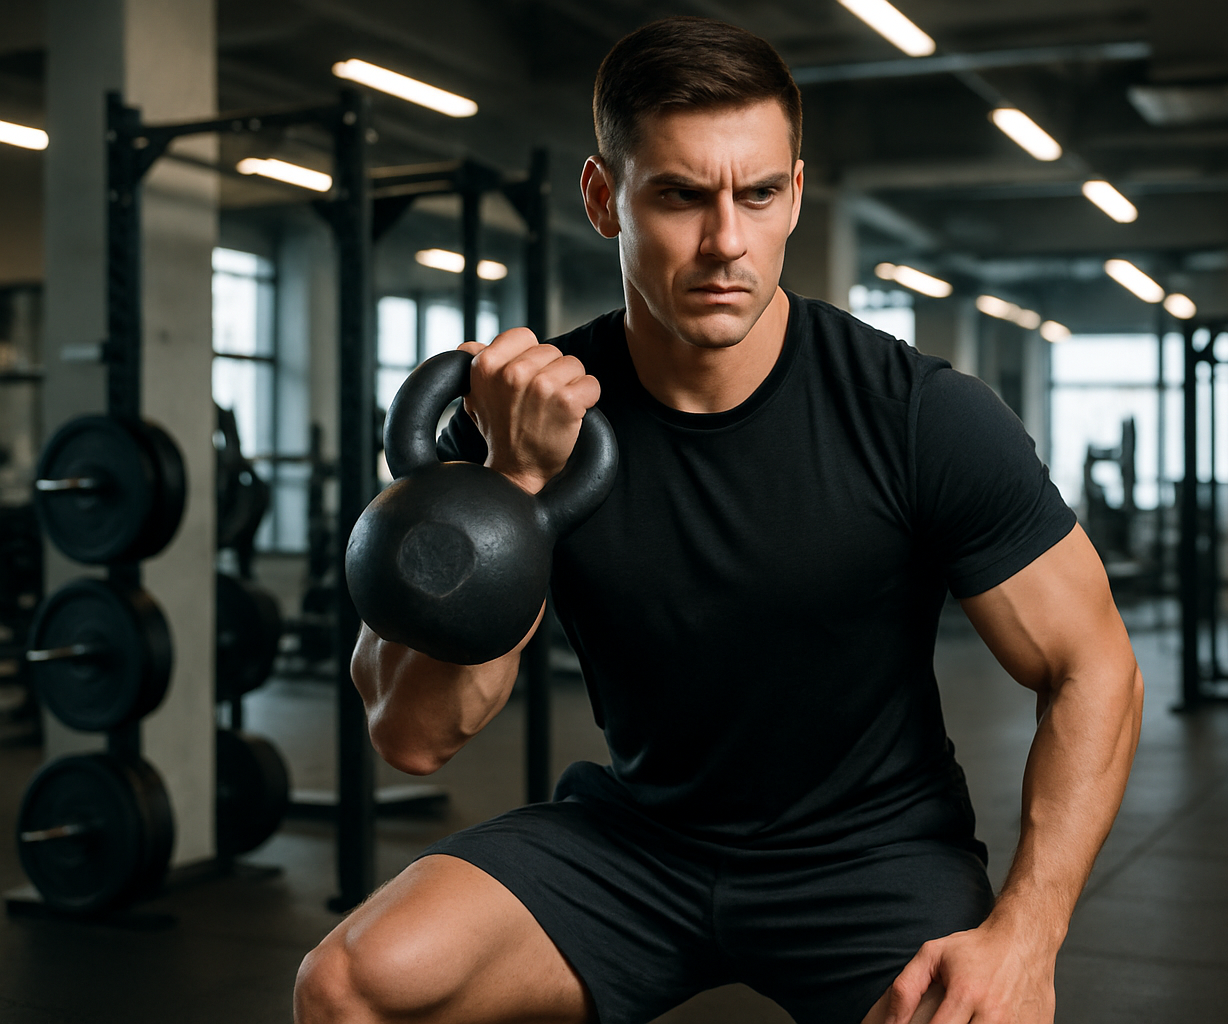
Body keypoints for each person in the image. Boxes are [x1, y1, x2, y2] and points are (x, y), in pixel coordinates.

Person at [295, 16, 1142, 1024]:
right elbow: (414, 733)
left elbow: (1096, 667)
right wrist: (511, 486)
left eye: (760, 194)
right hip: (639, 844)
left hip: (870, 856)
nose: (726, 241)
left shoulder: (916, 413)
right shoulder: (528, 420)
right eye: (681, 195)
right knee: (351, 985)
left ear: (794, 187)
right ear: (605, 199)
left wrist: (1026, 936)